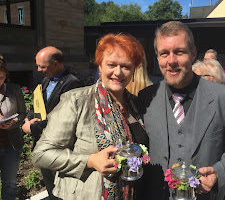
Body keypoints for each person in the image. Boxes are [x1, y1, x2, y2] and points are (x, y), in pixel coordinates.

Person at [138, 21, 225, 200]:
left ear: (193, 53)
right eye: (164, 53)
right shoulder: (145, 97)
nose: (171, 61)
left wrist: (219, 173)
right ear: (157, 57)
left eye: (179, 52)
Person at [31, 33, 148, 199]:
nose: (118, 72)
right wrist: (90, 161)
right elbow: (41, 154)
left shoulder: (135, 105)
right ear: (100, 66)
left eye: (126, 66)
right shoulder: (77, 101)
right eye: (111, 64)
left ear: (133, 70)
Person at [22, 46, 83, 199]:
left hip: (60, 148)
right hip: (45, 144)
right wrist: (28, 120)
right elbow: (38, 104)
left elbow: (61, 118)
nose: (38, 69)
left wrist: (32, 128)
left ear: (56, 64)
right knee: (50, 186)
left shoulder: (72, 84)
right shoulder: (46, 80)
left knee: (61, 189)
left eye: (42, 66)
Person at [0, 56, 26, 200]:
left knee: (10, 183)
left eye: (1, 77)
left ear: (6, 74)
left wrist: (13, 122)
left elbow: (23, 113)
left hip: (11, 144)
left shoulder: (14, 90)